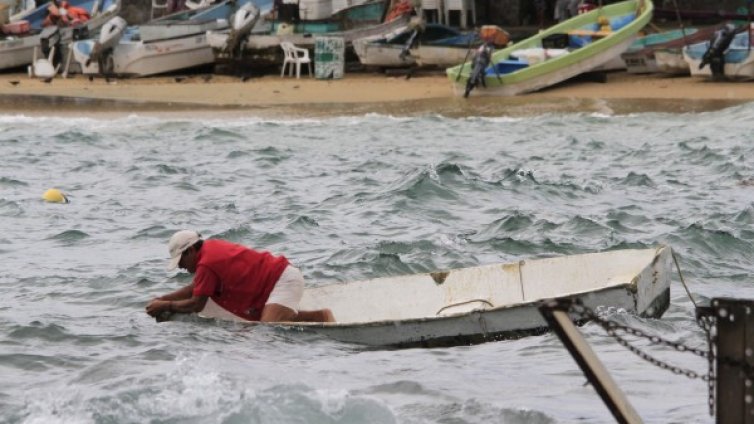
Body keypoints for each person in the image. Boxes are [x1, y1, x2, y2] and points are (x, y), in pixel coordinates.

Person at [145, 230, 335, 323]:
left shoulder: (206, 263)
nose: (180, 267)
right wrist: (161, 299)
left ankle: (323, 316)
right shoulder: (208, 251)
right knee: (271, 323)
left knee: (266, 334)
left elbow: (197, 303)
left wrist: (166, 305)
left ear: (191, 251)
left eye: (181, 261)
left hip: (283, 280)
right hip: (280, 279)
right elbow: (194, 288)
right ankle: (321, 317)